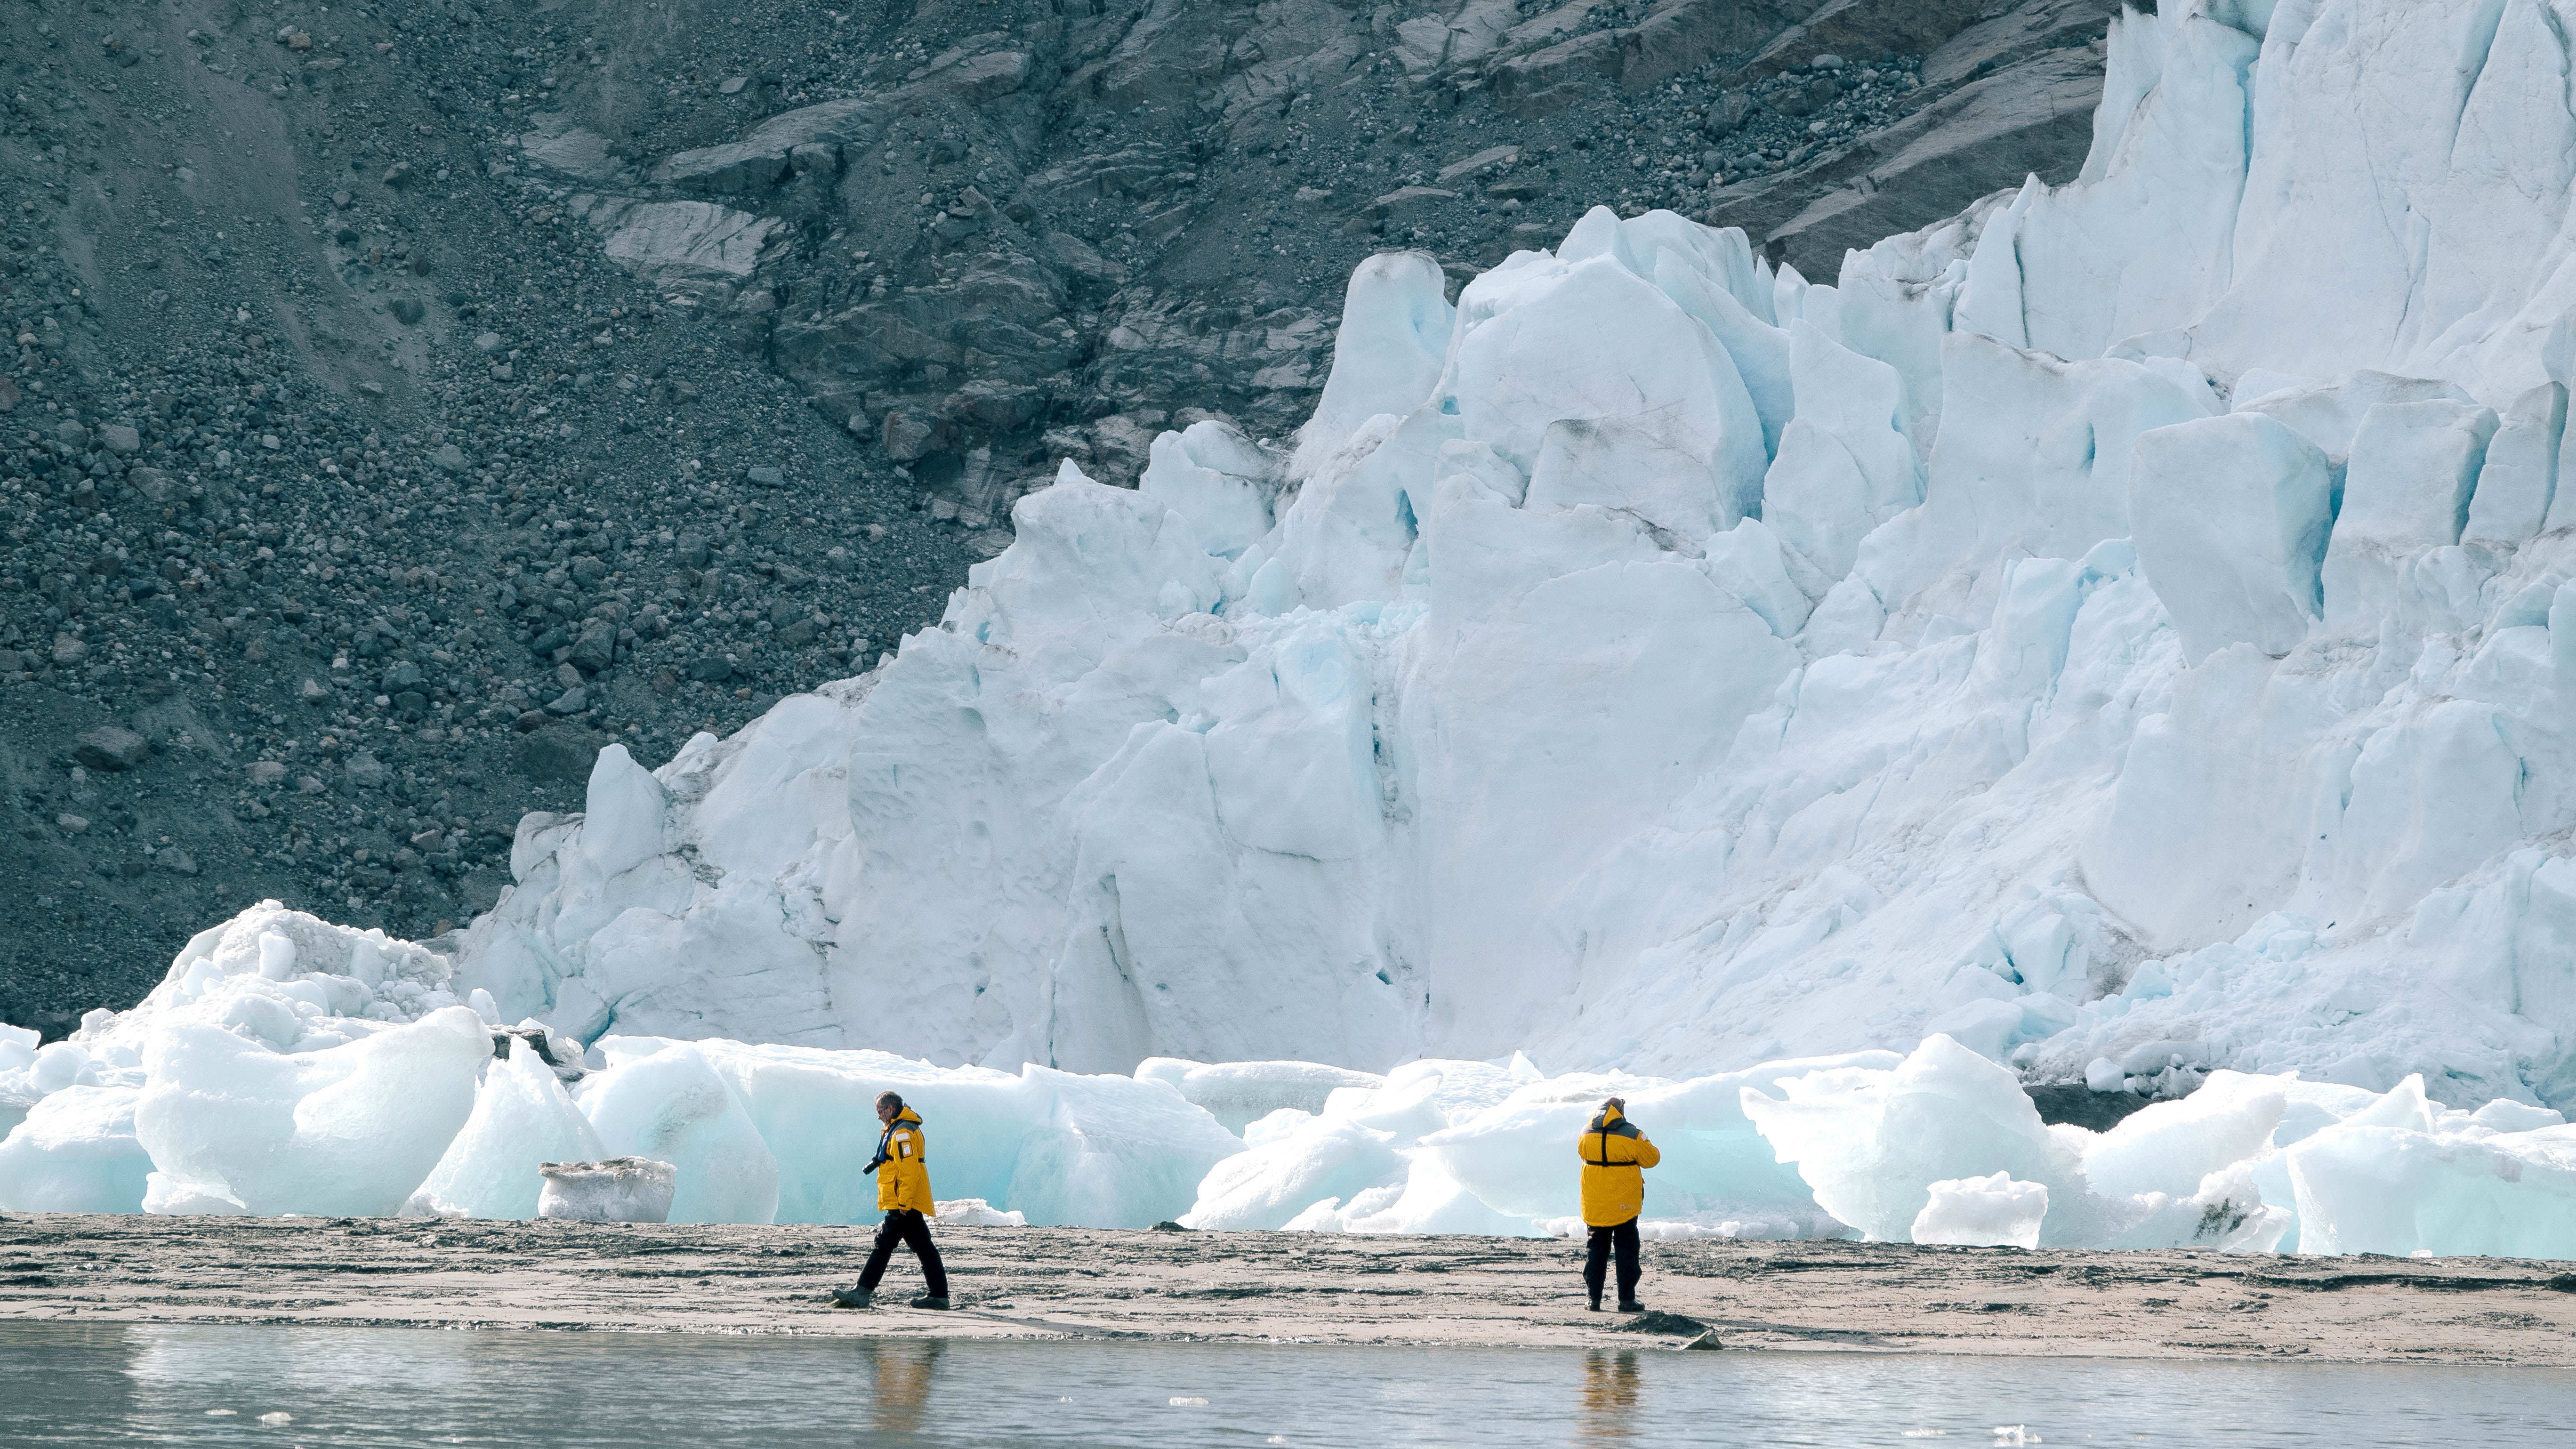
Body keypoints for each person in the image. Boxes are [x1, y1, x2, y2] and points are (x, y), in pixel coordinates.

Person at [833, 1091, 951, 1310]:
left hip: (902, 1203)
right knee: (924, 1247)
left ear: (890, 1109)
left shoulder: (902, 1133)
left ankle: (862, 1292)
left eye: (880, 1111)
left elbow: (909, 1170)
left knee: (884, 1245)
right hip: (905, 1201)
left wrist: (904, 1203)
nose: (879, 1117)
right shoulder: (899, 1129)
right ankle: (939, 1295)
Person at [1576, 1095, 1659, 1312]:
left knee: (1596, 1249)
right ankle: (1626, 1300)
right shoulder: (1632, 1135)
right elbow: (1652, 1159)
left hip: (1595, 1202)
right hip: (1625, 1203)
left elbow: (1581, 1154)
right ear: (1621, 1112)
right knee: (1627, 1250)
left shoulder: (1585, 1133)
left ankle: (1593, 1299)